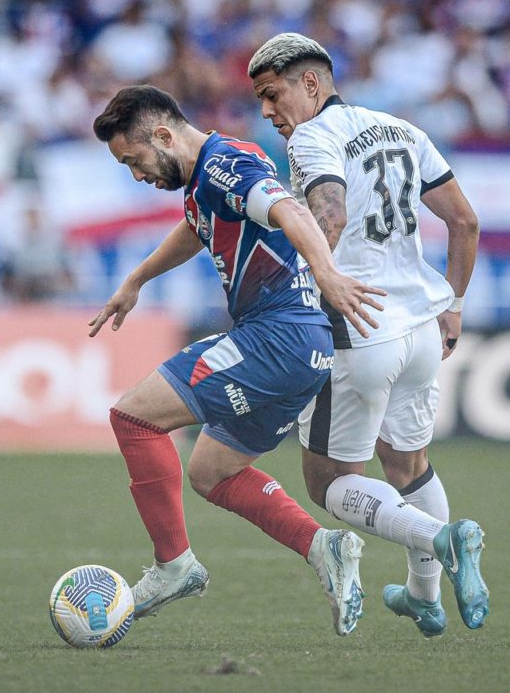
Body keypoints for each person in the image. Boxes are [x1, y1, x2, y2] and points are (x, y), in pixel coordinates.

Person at [90, 85, 389, 635]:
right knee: (210, 472)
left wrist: (326, 272)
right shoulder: (208, 178)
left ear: (162, 135)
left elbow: (287, 209)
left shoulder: (227, 164)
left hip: (275, 339)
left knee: (133, 418)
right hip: (302, 349)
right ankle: (323, 547)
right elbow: (195, 228)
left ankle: (173, 566)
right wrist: (136, 279)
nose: (137, 175)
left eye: (135, 161)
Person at [248, 33, 489, 635]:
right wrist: (454, 303)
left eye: (272, 95)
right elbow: (464, 220)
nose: (268, 113)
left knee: (328, 481)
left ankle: (441, 540)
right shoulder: (403, 129)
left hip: (358, 328)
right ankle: (425, 598)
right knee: (409, 464)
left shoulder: (312, 137)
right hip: (422, 331)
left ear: (311, 82)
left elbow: (330, 213)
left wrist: (302, 292)